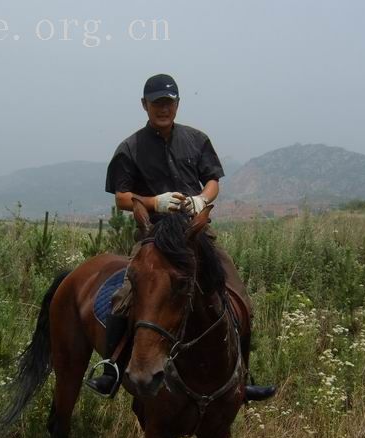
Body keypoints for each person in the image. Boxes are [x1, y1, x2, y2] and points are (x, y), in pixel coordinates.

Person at [85, 74, 276, 403]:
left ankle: (243, 376)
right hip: (154, 234)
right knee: (126, 296)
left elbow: (213, 180)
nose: (163, 108)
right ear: (145, 106)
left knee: (237, 295)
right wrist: (152, 201)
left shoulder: (197, 140)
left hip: (195, 233)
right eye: (156, 103)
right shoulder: (129, 148)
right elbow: (121, 198)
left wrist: (202, 198)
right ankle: (111, 370)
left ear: (177, 104)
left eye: (169, 102)